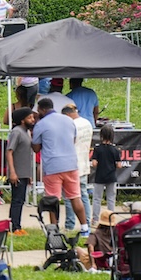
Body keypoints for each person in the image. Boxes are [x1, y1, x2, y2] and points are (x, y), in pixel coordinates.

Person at [33, 97, 88, 234]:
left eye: (38, 110)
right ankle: (84, 227)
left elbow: (36, 148)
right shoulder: (69, 120)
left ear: (43, 109)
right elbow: (73, 139)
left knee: (53, 199)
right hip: (71, 164)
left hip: (53, 166)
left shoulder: (41, 124)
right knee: (75, 196)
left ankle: (54, 229)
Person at [62, 104, 93, 231]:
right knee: (83, 194)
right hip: (84, 163)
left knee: (69, 196)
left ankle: (70, 224)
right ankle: (87, 223)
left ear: (67, 115)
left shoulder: (71, 125)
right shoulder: (87, 123)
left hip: (72, 164)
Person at [6, 108, 35, 235]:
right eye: (30, 118)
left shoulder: (26, 132)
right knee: (17, 200)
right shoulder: (17, 132)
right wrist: (12, 172)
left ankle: (17, 225)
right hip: (17, 173)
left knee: (21, 200)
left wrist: (29, 174)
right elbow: (9, 152)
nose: (33, 120)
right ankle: (14, 227)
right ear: (22, 120)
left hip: (24, 173)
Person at [90, 124, 120, 222]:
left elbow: (94, 163)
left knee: (97, 199)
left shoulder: (97, 148)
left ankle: (95, 219)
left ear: (101, 135)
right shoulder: (115, 149)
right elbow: (119, 165)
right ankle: (111, 218)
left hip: (100, 176)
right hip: (111, 176)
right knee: (111, 198)